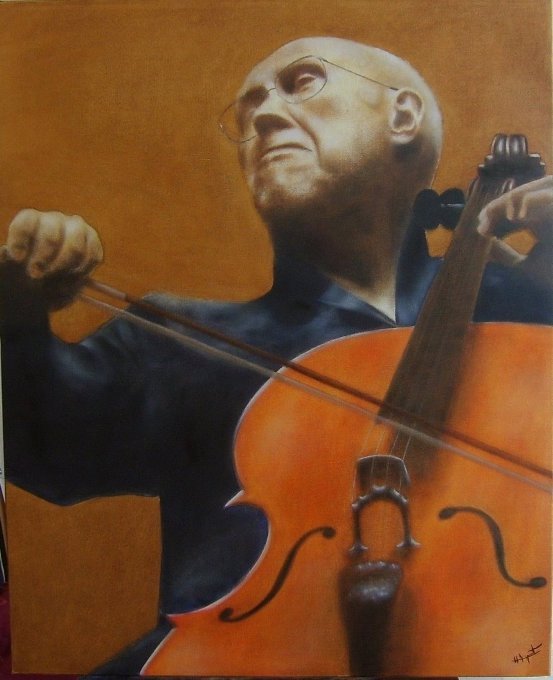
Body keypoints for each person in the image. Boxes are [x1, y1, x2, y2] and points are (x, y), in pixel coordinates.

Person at [1, 36, 552, 675]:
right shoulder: (179, 339)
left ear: (402, 116)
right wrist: (16, 313)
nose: (261, 117)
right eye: (248, 110)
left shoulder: (522, 308)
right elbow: (49, 452)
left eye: (302, 82)